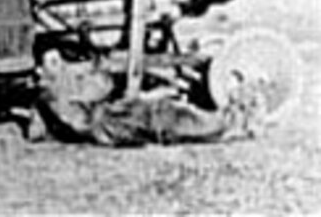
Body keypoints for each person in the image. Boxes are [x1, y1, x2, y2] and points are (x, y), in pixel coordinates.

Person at [26, 49, 267, 146]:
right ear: (42, 70)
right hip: (113, 121)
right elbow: (101, 88)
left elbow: (36, 132)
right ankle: (240, 121)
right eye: (54, 62)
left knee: (171, 116)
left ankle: (237, 118)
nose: (63, 64)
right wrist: (100, 67)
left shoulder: (47, 94)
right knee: (169, 118)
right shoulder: (54, 90)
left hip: (112, 119)